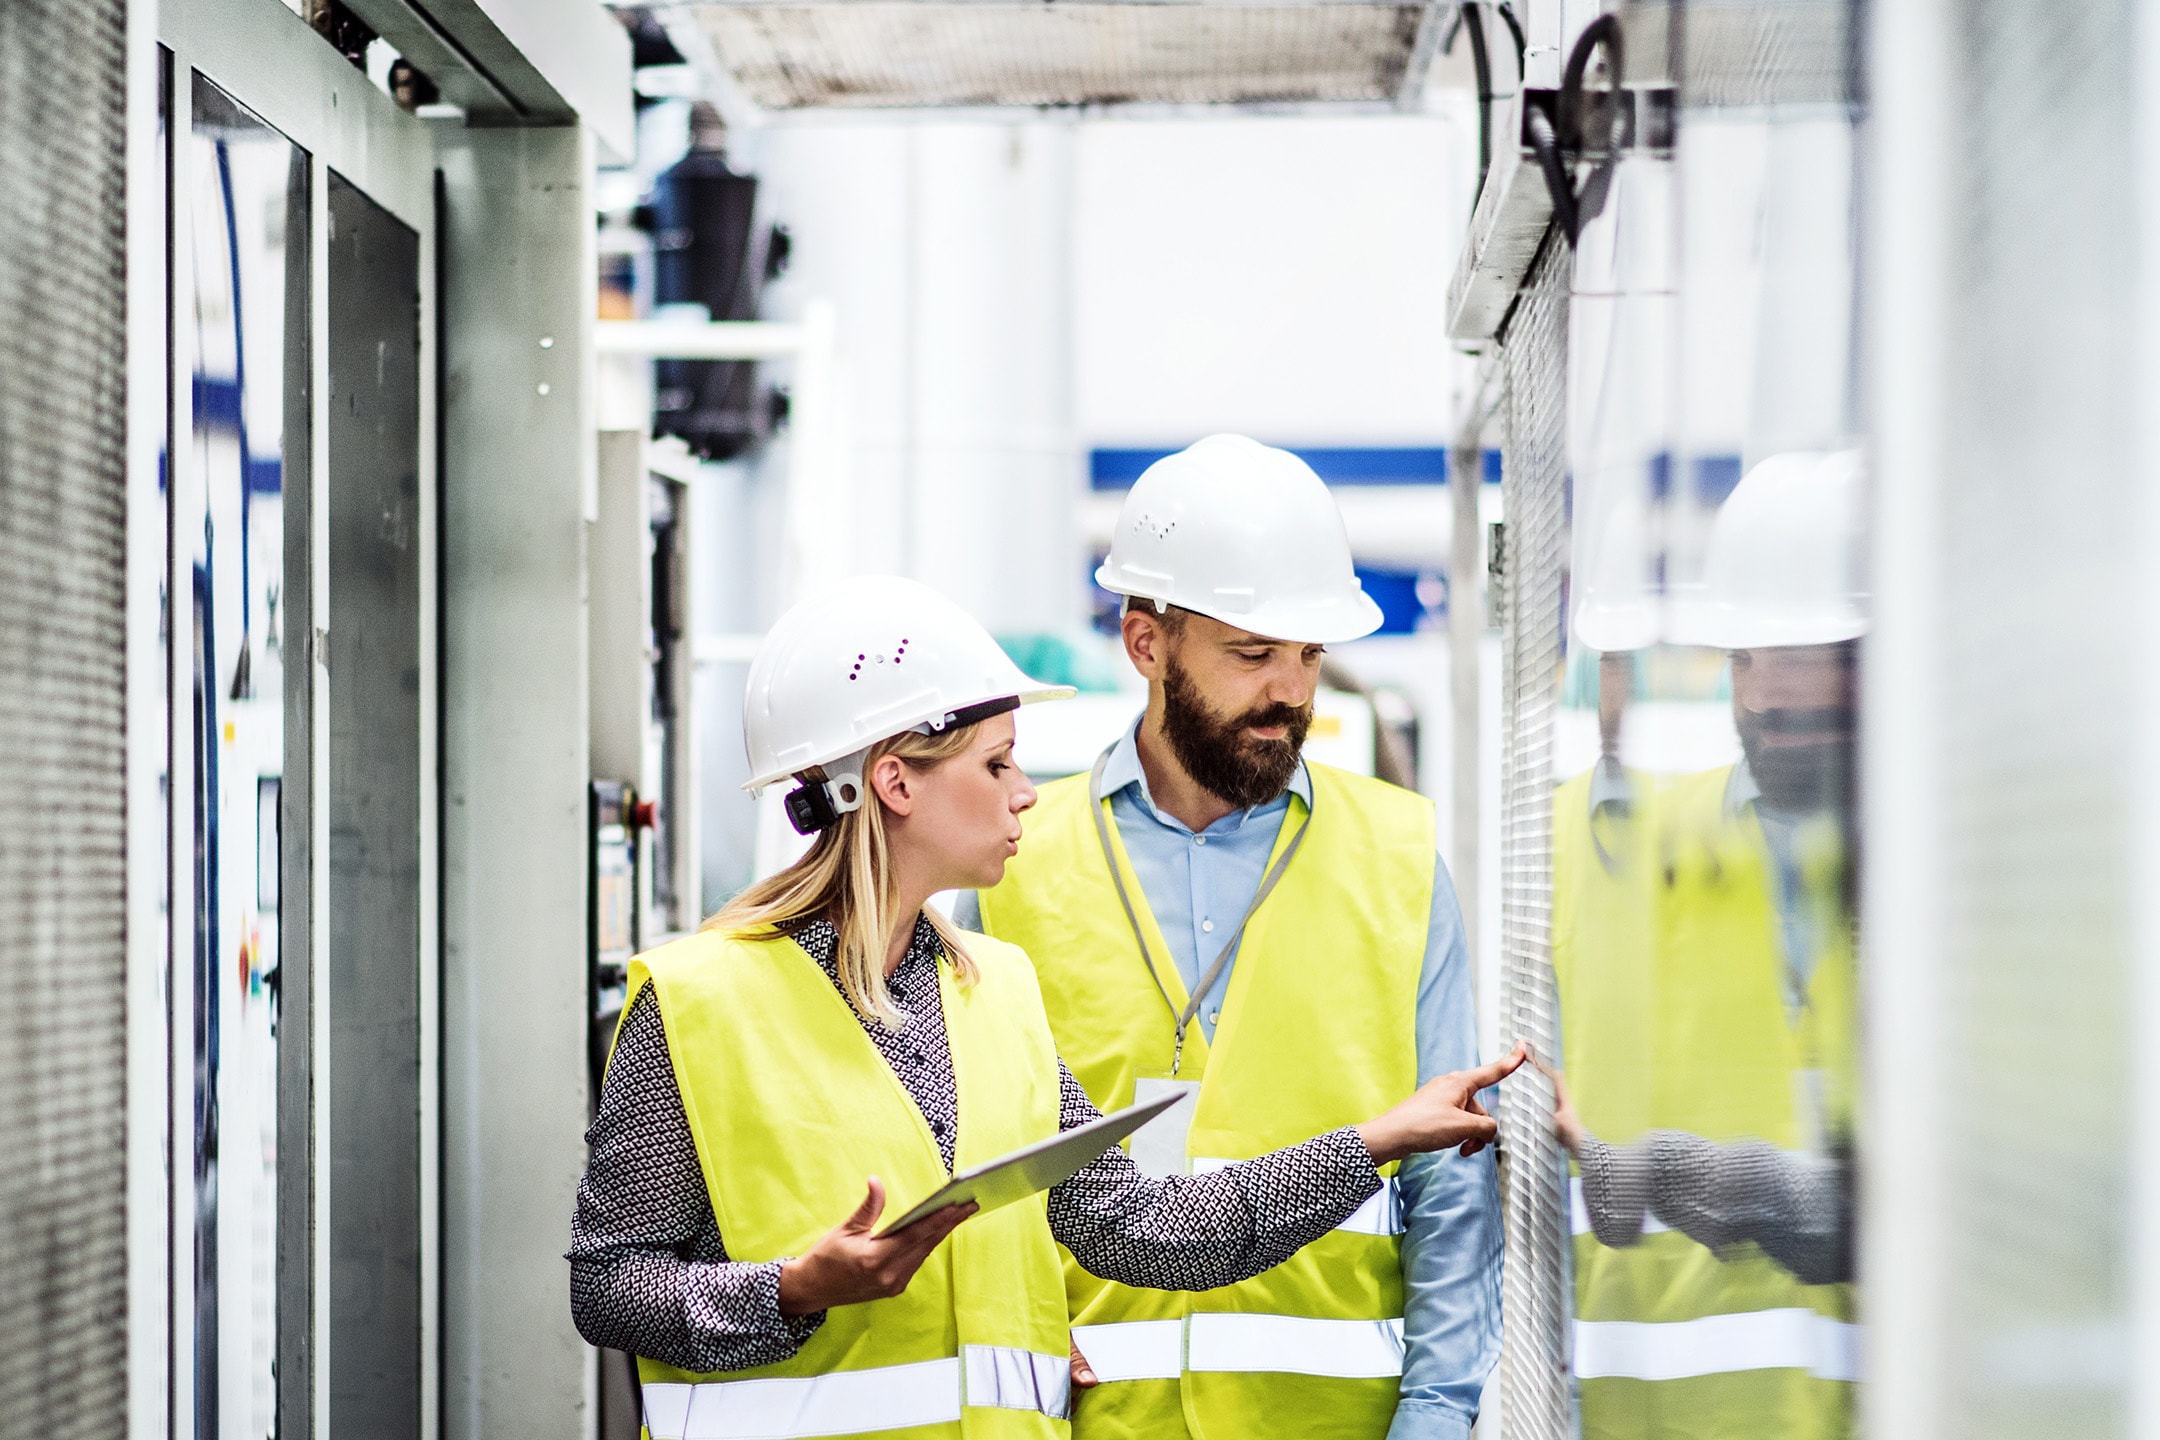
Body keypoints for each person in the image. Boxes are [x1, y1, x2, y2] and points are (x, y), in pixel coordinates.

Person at [568, 574, 1526, 1440]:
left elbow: (1148, 1230)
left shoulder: (994, 992)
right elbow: (607, 1287)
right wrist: (790, 1290)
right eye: (995, 766)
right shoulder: (701, 1000)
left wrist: (1373, 1143)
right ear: (895, 782)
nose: (1028, 795)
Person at [958, 436, 1501, 1440]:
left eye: (1309, 654)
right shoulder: (1012, 866)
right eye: (1252, 654)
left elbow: (1451, 1182)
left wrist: (1436, 1415)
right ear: (1146, 644)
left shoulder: (1399, 854)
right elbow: (971, 1161)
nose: (1290, 692)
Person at [1548, 452, 1863, 1440]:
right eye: (1751, 661)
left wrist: (1661, 1171)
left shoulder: (1981, 881)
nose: (1773, 696)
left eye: (1818, 672)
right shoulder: (1584, 846)